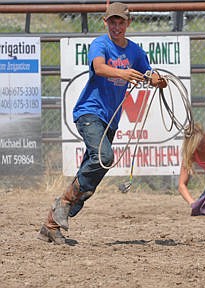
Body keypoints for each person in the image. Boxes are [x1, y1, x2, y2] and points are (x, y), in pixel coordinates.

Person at [38, 2, 167, 244]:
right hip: (90, 113)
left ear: (128, 23)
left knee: (96, 166)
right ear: (105, 22)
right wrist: (123, 73)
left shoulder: (136, 53)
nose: (117, 26)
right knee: (103, 158)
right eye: (112, 22)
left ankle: (50, 225)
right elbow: (99, 68)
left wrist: (158, 81)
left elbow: (149, 74)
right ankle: (63, 205)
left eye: (121, 22)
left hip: (110, 119)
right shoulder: (101, 44)